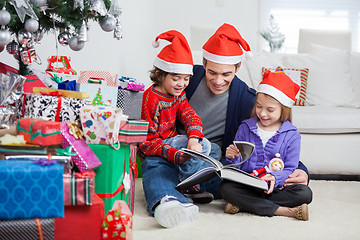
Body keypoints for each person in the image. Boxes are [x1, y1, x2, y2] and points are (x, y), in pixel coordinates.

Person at [183, 24, 309, 198]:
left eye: (226, 74)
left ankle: (190, 189)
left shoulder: (246, 99)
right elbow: (159, 93)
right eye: (212, 72)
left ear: (238, 67)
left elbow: (274, 146)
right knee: (156, 166)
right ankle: (168, 200)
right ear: (204, 63)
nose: (218, 81)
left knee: (233, 182)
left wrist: (302, 171)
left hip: (212, 160)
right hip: (180, 150)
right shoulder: (187, 78)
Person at [139, 30, 215, 228]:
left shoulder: (178, 94)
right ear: (159, 74)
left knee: (206, 147)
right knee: (154, 168)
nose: (182, 84)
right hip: (155, 148)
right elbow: (147, 143)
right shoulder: (151, 99)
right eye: (176, 78)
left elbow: (190, 115)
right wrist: (173, 154)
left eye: (186, 79)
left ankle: (184, 187)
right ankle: (167, 201)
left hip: (173, 144)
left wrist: (193, 139)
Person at [221, 69, 313, 220]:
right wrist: (232, 157)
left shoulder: (292, 135)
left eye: (270, 110)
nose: (262, 113)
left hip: (276, 187)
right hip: (249, 186)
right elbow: (238, 166)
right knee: (226, 189)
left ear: (284, 110)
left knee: (305, 193)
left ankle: (244, 204)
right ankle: (284, 211)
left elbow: (290, 168)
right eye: (258, 106)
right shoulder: (245, 127)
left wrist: (276, 178)